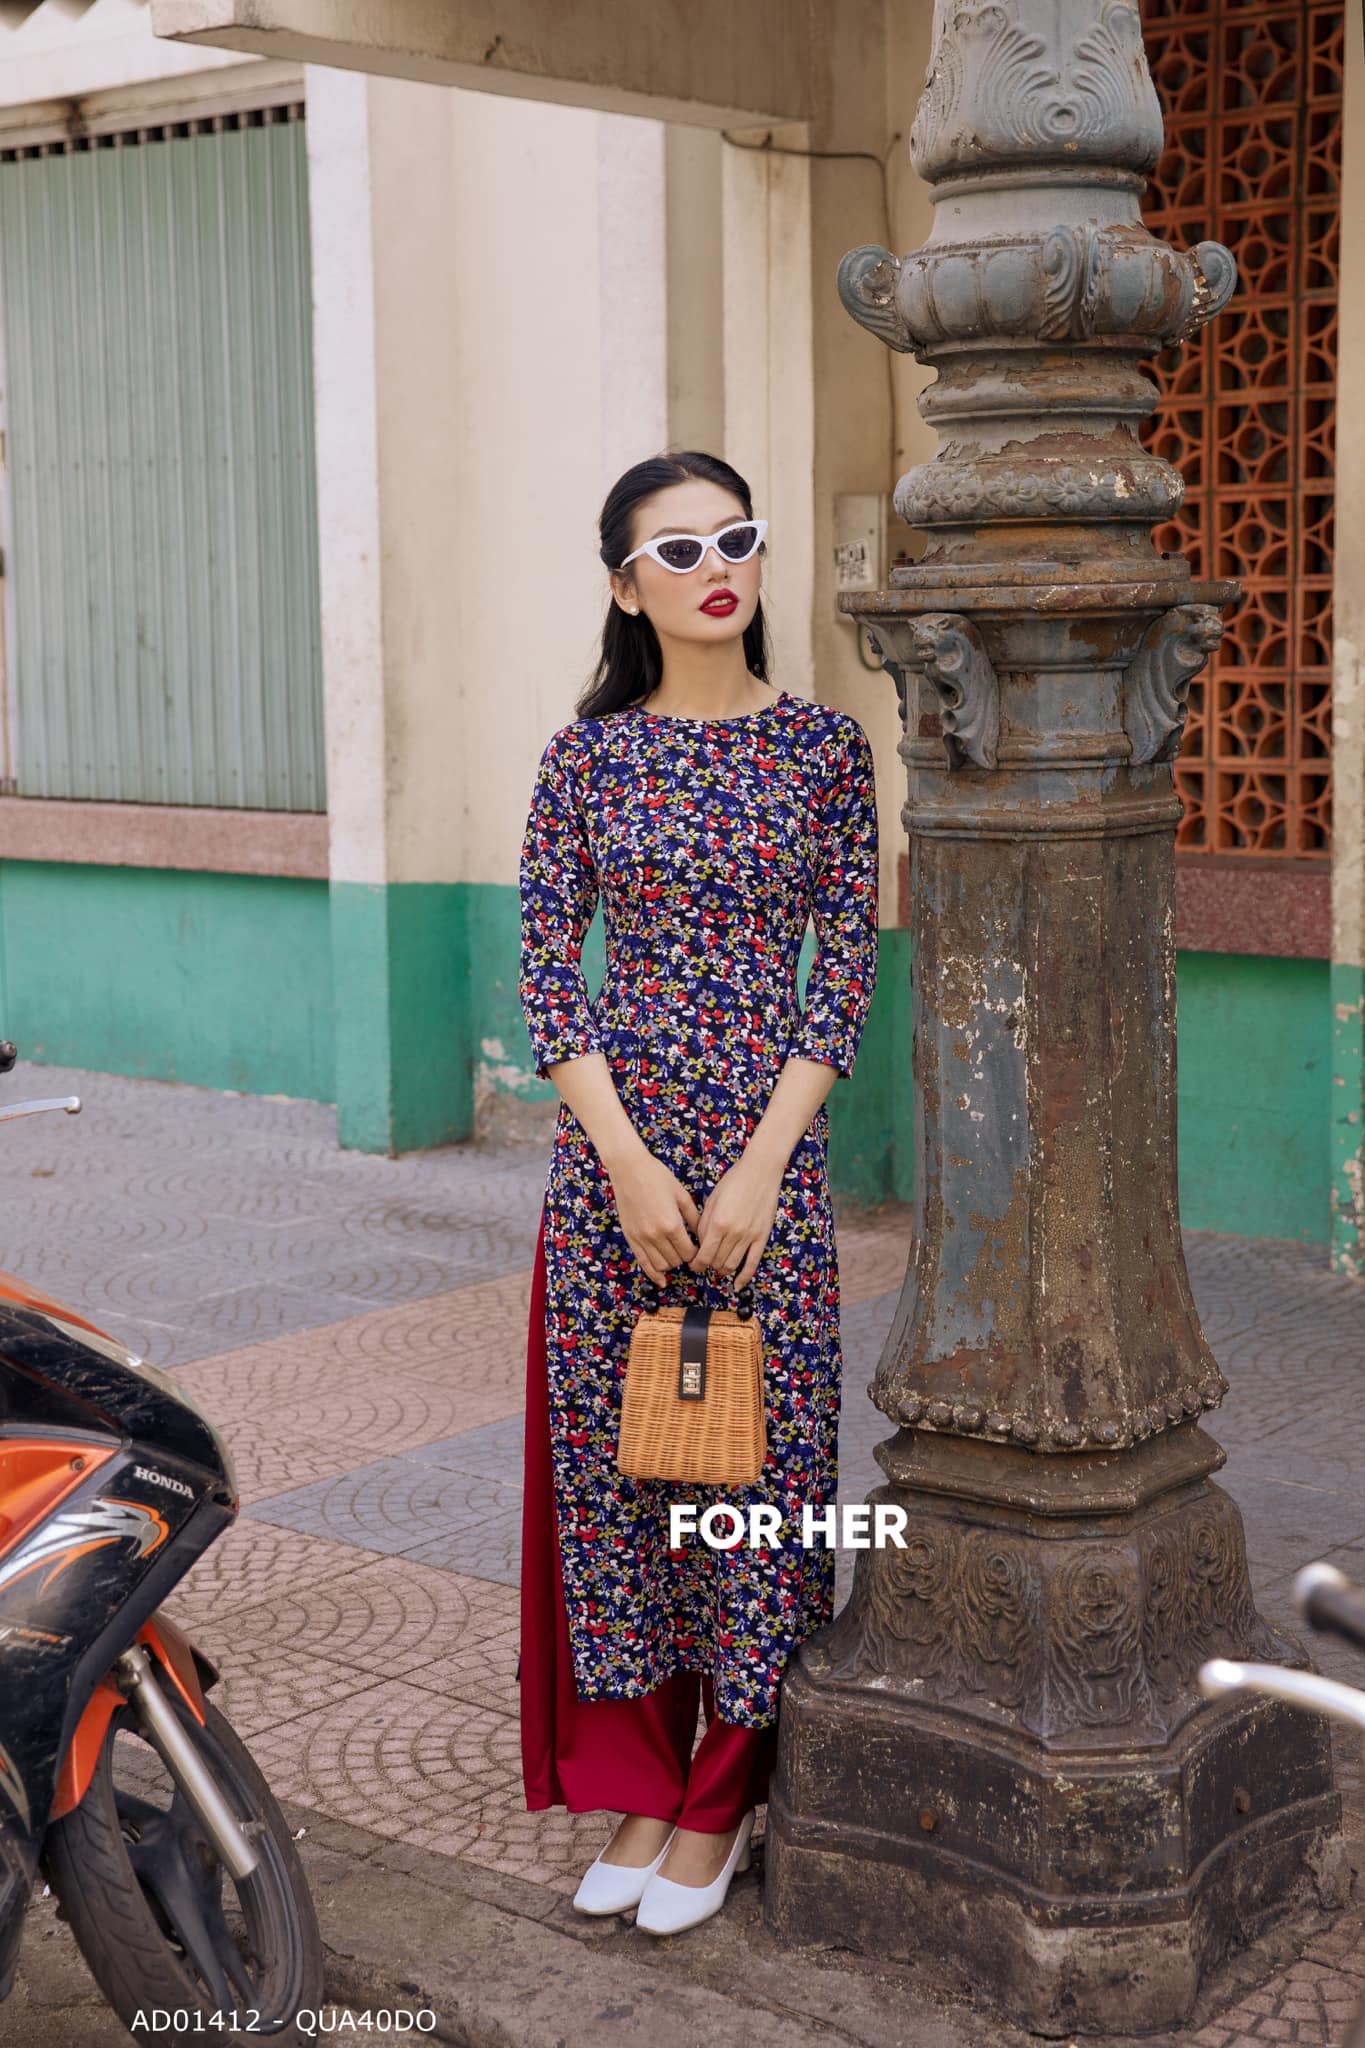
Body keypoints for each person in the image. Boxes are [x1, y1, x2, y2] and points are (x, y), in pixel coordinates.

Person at [516, 449, 879, 1936]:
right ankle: (643, 1776)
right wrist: (623, 1159)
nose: (715, 568)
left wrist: (759, 1169)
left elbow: (840, 975)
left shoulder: (824, 750)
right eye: (677, 550)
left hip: (762, 1167)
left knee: (755, 1478)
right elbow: (551, 975)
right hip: (614, 1162)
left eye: (735, 539)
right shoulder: (584, 760)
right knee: (624, 1478)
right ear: (626, 586)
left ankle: (724, 1791)